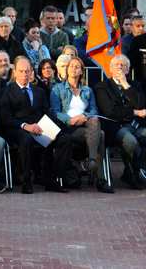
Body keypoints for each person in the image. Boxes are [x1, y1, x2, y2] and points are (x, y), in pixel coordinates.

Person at [0, 57, 72, 194]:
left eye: (27, 71)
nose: (25, 75)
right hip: (17, 128)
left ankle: (53, 179)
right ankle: (27, 180)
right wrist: (25, 125)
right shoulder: (7, 92)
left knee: (65, 139)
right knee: (27, 138)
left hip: (40, 127)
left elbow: (46, 113)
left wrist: (50, 131)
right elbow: (6, 118)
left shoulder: (39, 91)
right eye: (21, 71)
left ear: (32, 72)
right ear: (14, 72)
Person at [94, 55, 146, 189]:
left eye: (123, 66)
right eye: (116, 65)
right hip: (117, 127)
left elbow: (141, 103)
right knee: (130, 142)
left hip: (137, 126)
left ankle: (132, 172)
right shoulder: (102, 87)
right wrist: (135, 112)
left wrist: (126, 85)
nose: (120, 68)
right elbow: (111, 111)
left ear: (127, 70)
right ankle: (132, 175)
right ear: (110, 69)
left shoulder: (135, 85)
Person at [50, 57, 114, 193]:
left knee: (94, 119)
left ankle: (92, 161)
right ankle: (101, 180)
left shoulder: (87, 90)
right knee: (100, 135)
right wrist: (71, 120)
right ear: (67, 70)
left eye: (77, 67)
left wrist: (83, 116)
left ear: (81, 71)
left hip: (86, 125)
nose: (74, 68)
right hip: (68, 127)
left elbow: (94, 110)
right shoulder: (57, 89)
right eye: (71, 66)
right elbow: (55, 113)